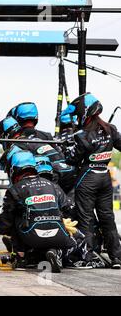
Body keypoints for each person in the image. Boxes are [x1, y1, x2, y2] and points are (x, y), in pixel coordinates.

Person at [0, 151, 90, 272]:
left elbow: (6, 219)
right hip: (58, 235)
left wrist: (0, 229)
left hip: (31, 237)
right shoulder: (53, 185)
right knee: (75, 234)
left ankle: (21, 259)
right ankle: (55, 252)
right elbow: (69, 208)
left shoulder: (15, 189)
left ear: (14, 170)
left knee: (15, 218)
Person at [62, 93, 121, 269]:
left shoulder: (82, 135)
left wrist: (66, 146)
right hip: (105, 177)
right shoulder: (111, 129)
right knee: (107, 219)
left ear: (84, 112)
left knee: (85, 219)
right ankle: (117, 258)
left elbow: (71, 159)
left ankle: (87, 258)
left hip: (87, 178)